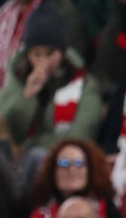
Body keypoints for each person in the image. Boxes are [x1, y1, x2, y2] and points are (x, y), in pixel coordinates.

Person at [0, 9, 105, 159]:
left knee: (37, 156)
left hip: (62, 162)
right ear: (27, 54)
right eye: (37, 54)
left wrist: (31, 147)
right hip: (17, 163)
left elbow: (80, 135)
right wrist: (26, 97)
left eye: (50, 53)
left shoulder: (84, 84)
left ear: (62, 53)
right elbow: (6, 132)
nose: (43, 61)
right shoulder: (18, 78)